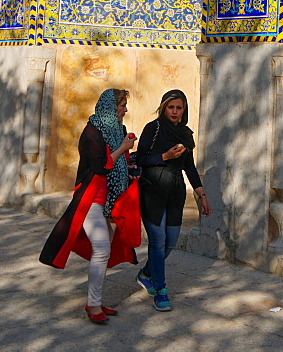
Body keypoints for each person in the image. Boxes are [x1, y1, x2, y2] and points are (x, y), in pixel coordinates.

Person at [40, 89, 141, 324]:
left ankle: (96, 301)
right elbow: (101, 166)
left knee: (104, 253)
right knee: (102, 248)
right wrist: (123, 149)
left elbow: (120, 165)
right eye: (122, 105)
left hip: (112, 199)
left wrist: (130, 166)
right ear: (110, 107)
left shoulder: (119, 131)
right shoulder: (91, 133)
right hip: (92, 198)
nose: (125, 110)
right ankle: (93, 305)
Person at [134, 89, 210, 311]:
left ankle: (146, 273)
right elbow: (141, 159)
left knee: (171, 242)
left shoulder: (185, 134)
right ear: (163, 108)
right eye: (171, 107)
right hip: (152, 190)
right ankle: (161, 291)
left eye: (179, 108)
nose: (175, 112)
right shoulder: (153, 128)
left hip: (175, 191)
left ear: (183, 110)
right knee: (157, 242)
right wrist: (164, 157)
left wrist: (202, 195)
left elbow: (189, 167)